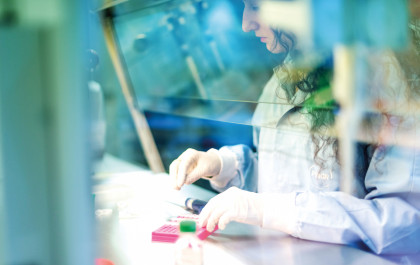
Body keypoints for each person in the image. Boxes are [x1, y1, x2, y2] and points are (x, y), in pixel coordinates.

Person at [169, 0, 420, 255]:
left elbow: (403, 222)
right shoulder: (287, 75)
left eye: (255, 6)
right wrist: (221, 165)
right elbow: (279, 176)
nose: (246, 24)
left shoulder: (387, 77)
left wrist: (272, 210)